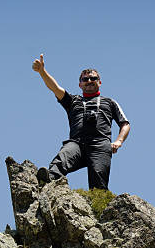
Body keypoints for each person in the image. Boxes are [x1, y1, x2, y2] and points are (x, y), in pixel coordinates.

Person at [32, 54, 130, 190]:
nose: (89, 81)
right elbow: (55, 88)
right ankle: (48, 183)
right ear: (80, 84)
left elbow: (125, 124)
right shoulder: (73, 101)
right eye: (85, 79)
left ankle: (98, 207)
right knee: (61, 160)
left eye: (93, 78)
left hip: (100, 144)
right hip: (77, 143)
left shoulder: (110, 102)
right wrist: (42, 72)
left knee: (99, 185)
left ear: (99, 82)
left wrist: (119, 141)